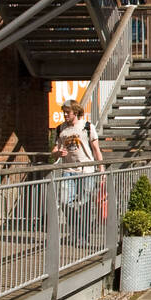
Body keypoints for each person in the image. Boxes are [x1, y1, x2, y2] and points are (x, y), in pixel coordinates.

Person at [51, 99, 104, 239]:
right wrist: (58, 153)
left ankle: (83, 235)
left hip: (86, 170)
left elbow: (96, 150)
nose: (65, 115)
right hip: (68, 170)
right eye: (64, 113)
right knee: (63, 200)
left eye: (68, 112)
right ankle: (77, 225)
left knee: (85, 204)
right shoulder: (60, 128)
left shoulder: (87, 126)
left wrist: (101, 169)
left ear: (75, 112)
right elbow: (55, 149)